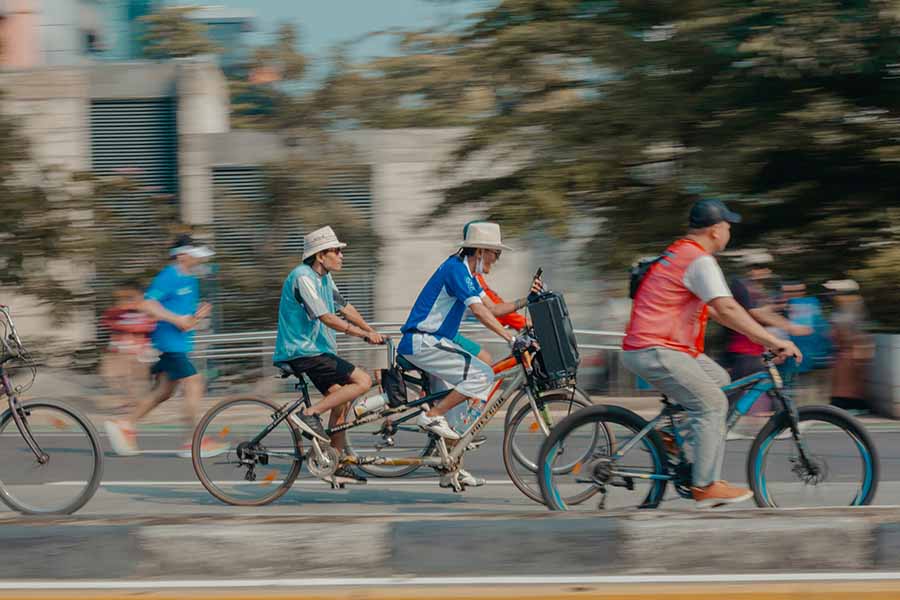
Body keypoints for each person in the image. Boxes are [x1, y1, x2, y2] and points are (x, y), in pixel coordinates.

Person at [622, 198, 802, 508]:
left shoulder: (680, 252)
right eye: (728, 226)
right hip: (657, 348)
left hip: (659, 347)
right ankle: (705, 486)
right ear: (716, 230)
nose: (729, 232)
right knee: (713, 404)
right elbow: (728, 308)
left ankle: (671, 437)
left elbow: (718, 312)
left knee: (720, 382)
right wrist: (772, 341)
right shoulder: (699, 260)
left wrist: (759, 337)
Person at [399, 221, 540, 487]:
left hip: (434, 342)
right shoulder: (456, 270)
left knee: (458, 414)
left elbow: (494, 309)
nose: (496, 259)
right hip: (424, 341)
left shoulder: (467, 273)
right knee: (482, 375)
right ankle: (430, 416)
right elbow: (479, 311)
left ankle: (451, 469)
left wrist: (527, 300)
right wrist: (511, 338)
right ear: (480, 251)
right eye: (496, 253)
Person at [273, 226, 386, 486]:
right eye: (336, 251)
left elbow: (344, 307)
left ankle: (335, 462)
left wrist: (371, 330)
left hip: (316, 351)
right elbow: (327, 317)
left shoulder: (324, 278)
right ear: (320, 256)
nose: (341, 255)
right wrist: (362, 335)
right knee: (362, 381)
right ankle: (309, 414)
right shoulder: (302, 277)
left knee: (341, 401)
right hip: (301, 350)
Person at [105, 234, 224, 458]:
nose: (199, 259)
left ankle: (125, 423)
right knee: (194, 383)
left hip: (179, 344)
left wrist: (196, 316)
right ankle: (193, 441)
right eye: (195, 254)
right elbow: (147, 304)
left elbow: (185, 319)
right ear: (181, 255)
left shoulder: (191, 281)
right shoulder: (169, 276)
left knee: (164, 391)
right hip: (168, 344)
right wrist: (176, 320)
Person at [722, 252, 811, 413]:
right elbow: (756, 314)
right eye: (761, 267)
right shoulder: (741, 285)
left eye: (766, 267)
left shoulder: (756, 290)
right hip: (743, 351)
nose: (766, 271)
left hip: (754, 350)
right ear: (751, 269)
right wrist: (790, 326)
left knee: (769, 389)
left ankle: (782, 417)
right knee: (737, 396)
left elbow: (763, 315)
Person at [98, 280, 157, 412]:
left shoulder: (146, 311)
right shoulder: (117, 311)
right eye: (122, 298)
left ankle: (135, 403)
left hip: (138, 350)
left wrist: (128, 327)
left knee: (136, 378)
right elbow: (107, 321)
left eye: (130, 297)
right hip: (121, 349)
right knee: (113, 376)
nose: (124, 301)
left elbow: (149, 325)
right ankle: (130, 401)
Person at [824, 279, 873, 413]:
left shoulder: (852, 305)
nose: (831, 295)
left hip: (850, 351)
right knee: (844, 381)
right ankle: (847, 403)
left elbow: (849, 331)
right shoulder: (843, 307)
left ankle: (853, 405)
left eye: (834, 292)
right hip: (844, 351)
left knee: (849, 382)